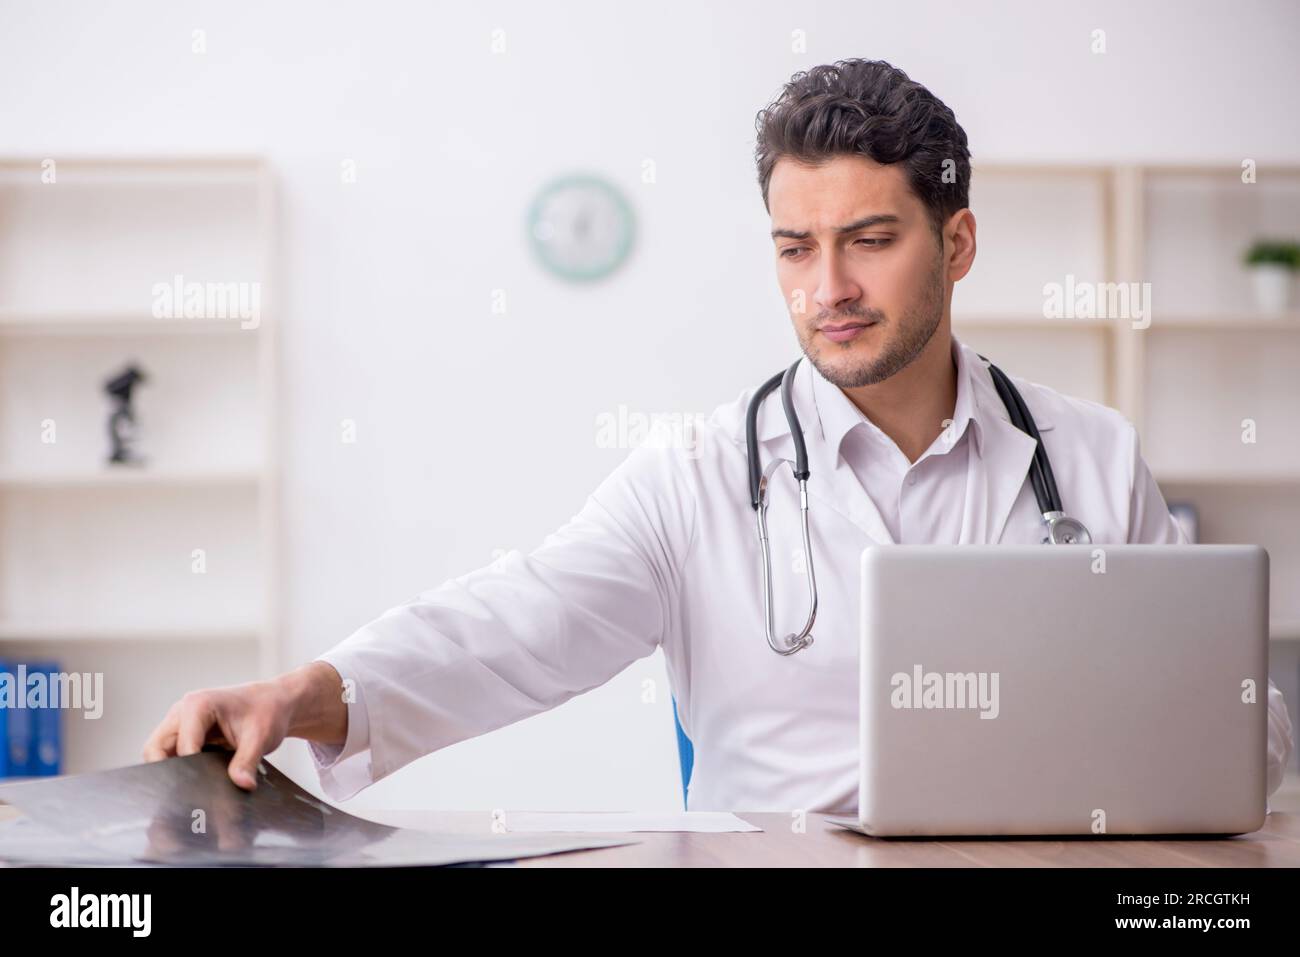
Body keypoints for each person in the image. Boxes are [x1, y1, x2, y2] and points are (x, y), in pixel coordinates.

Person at [144, 58, 1294, 813]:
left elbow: (1236, 727)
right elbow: (506, 629)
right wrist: (294, 697)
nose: (826, 286)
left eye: (869, 239)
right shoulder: (694, 476)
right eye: (794, 247)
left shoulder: (1087, 459)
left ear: (956, 244)